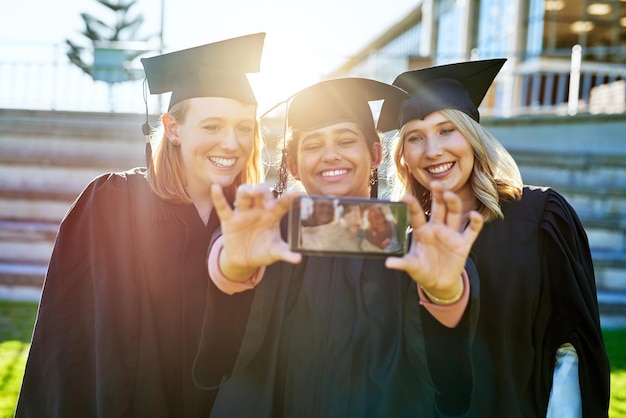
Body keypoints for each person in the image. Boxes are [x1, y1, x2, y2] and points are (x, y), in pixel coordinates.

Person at [191, 77, 484, 417]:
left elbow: (444, 372)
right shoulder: (267, 236)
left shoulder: (413, 248)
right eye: (313, 145)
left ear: (375, 154)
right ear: (294, 164)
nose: (330, 155)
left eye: (346, 140)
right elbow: (227, 275)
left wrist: (444, 290)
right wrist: (234, 267)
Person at [15, 33, 266, 417]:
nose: (232, 143)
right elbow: (71, 345)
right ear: (173, 127)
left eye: (244, 127)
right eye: (213, 126)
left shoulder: (253, 221)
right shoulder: (111, 203)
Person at [377, 58, 611, 417]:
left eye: (446, 130)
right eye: (415, 137)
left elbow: (571, 345)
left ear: (473, 138)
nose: (432, 150)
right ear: (404, 157)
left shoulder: (540, 217)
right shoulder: (405, 245)